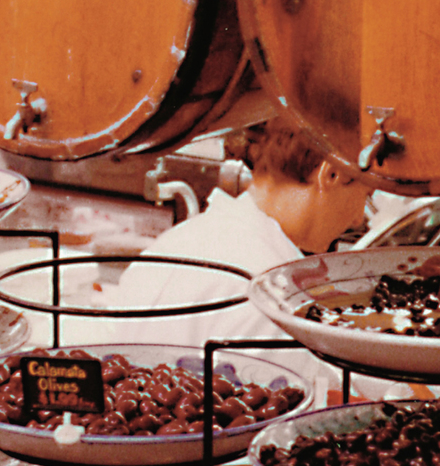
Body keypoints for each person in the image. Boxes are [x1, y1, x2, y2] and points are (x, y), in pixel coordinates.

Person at [99, 116, 374, 396]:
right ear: (331, 174)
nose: (356, 219)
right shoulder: (269, 291)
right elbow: (318, 404)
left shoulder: (178, 240)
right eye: (367, 192)